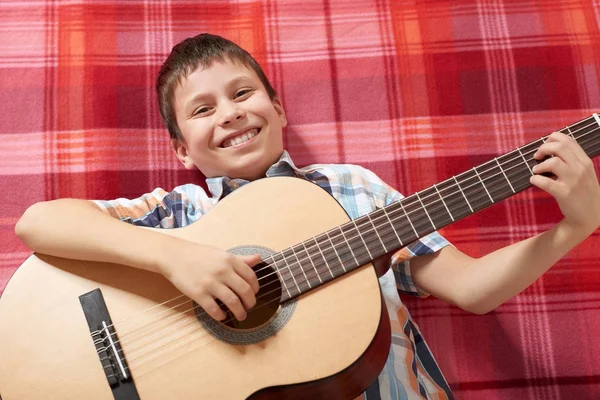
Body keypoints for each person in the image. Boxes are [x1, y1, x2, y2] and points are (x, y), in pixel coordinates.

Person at [15, 33, 600, 399]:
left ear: (278, 108)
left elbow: (472, 289)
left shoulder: (351, 190)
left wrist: (574, 226)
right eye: (202, 109)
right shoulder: (179, 213)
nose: (230, 114)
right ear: (181, 151)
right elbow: (38, 223)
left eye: (244, 94)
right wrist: (174, 256)